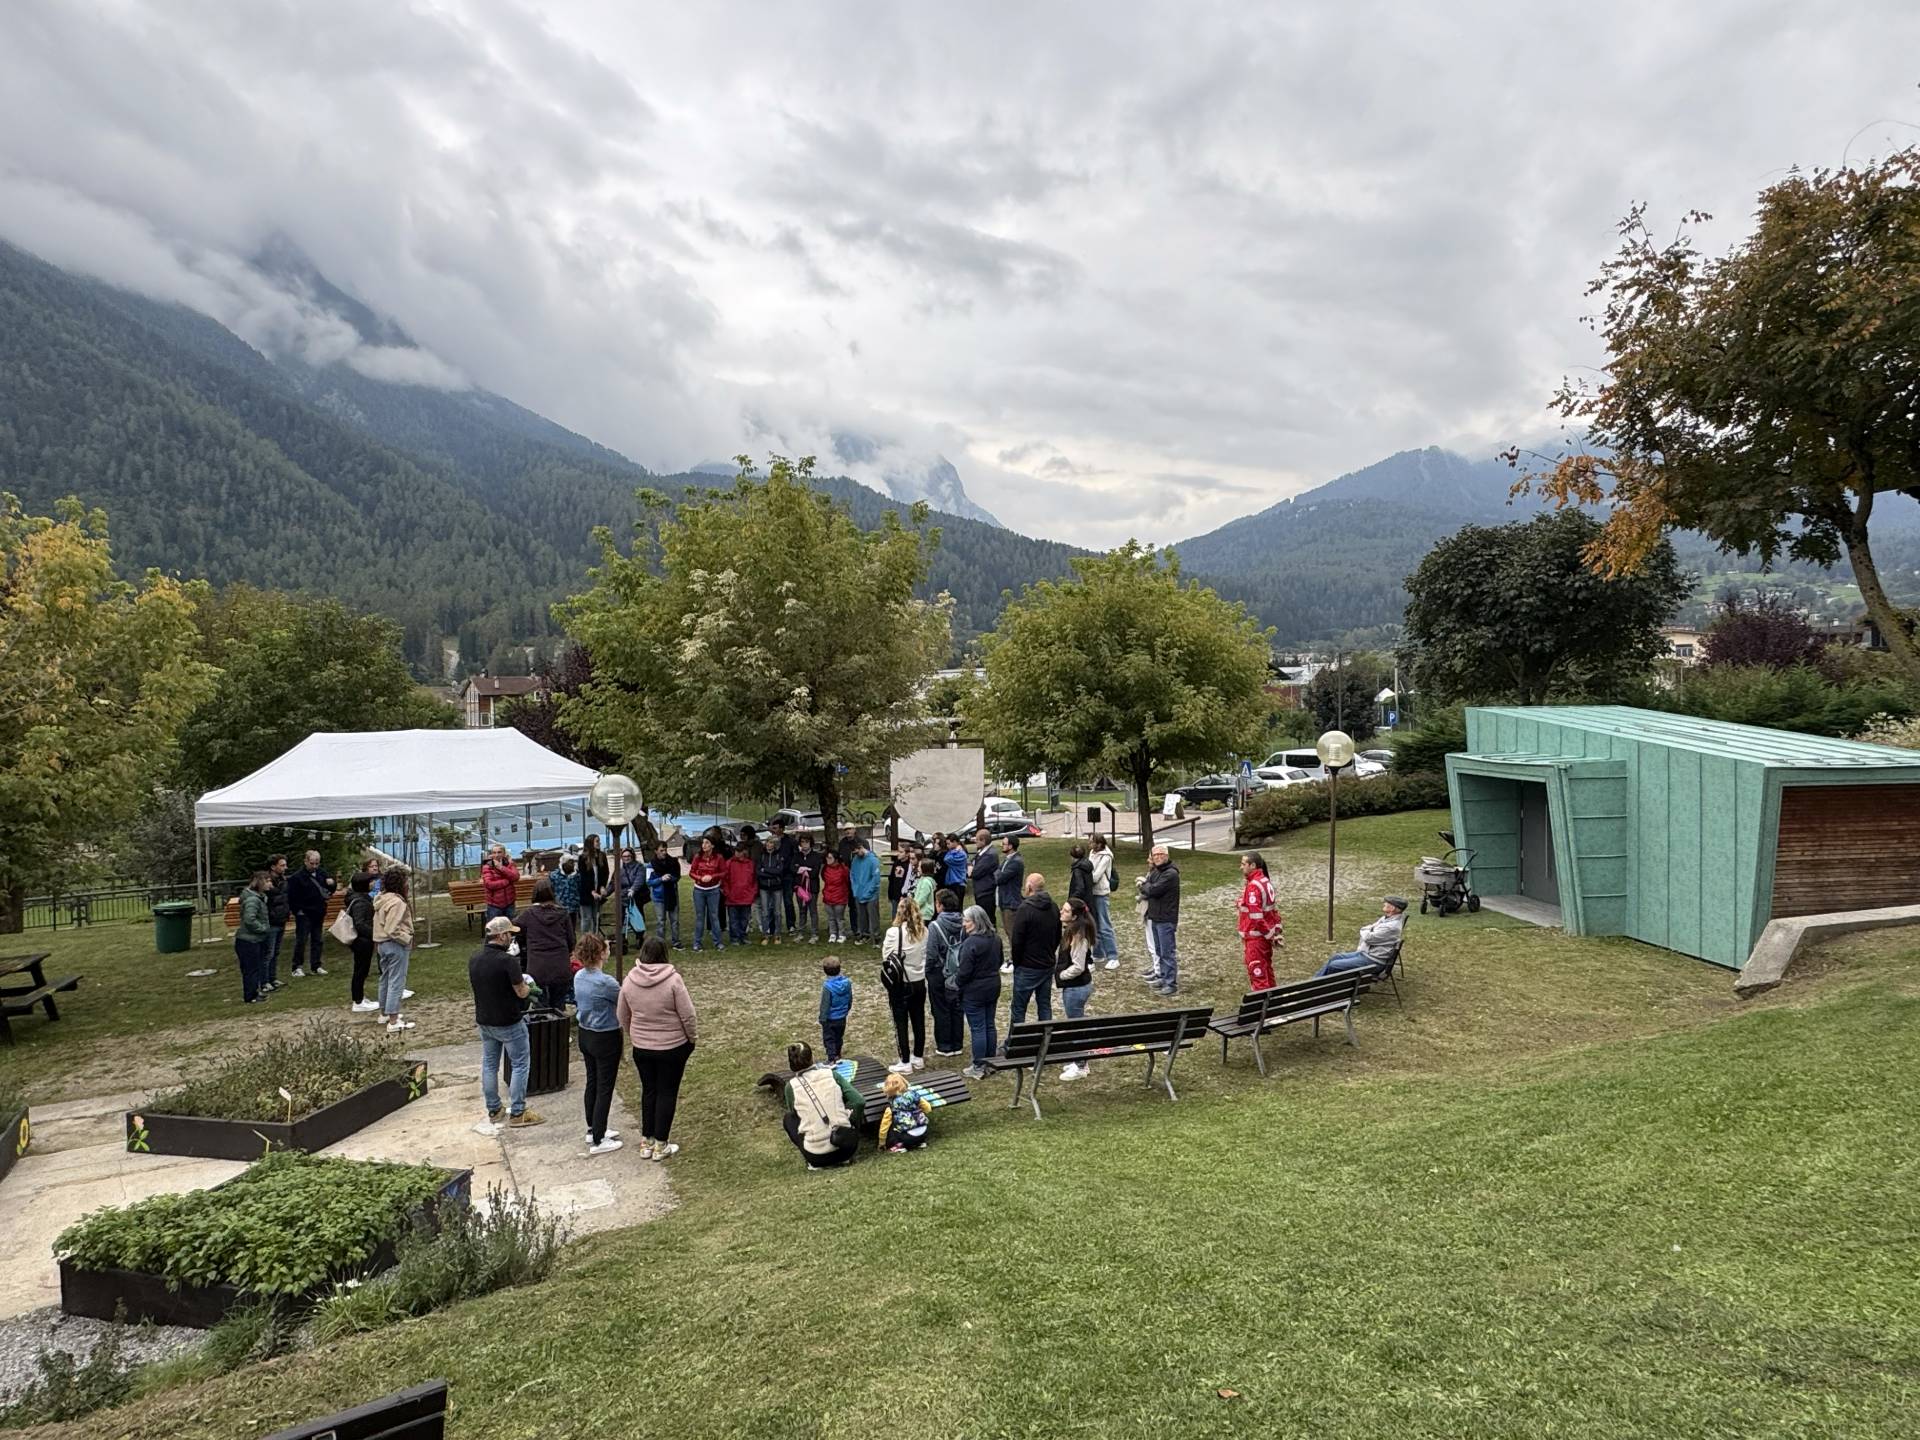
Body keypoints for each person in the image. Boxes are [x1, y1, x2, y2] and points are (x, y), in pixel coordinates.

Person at [616, 935, 697, 1161]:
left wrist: (635, 1034)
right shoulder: (673, 981)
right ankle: (661, 1143)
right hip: (672, 1045)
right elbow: (688, 1014)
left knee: (649, 1091)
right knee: (667, 1092)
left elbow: (622, 1014)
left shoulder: (630, 980)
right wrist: (692, 1038)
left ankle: (647, 1141)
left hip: (642, 1046)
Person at [470, 915, 541, 1130]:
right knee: (520, 1063)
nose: (512, 938)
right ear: (501, 936)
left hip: (485, 1020)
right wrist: (531, 989)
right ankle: (518, 1111)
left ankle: (494, 1109)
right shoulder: (508, 961)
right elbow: (521, 991)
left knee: (490, 1064)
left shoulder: (474, 959)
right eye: (510, 934)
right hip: (509, 1021)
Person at [571, 931, 623, 1153]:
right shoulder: (606, 982)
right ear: (601, 953)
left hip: (586, 1033)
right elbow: (623, 1001)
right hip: (605, 1036)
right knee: (604, 1086)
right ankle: (599, 1138)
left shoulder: (579, 976)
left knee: (592, 1081)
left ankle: (593, 1127)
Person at [781, 1041, 864, 1169]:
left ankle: (814, 1151)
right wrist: (851, 1122)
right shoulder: (831, 1074)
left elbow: (795, 1114)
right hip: (847, 1148)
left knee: (789, 1119)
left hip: (816, 1157)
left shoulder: (791, 1087)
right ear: (811, 1058)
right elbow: (858, 1101)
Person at [952, 905, 1004, 1079]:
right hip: (993, 985)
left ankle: (979, 1065)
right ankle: (990, 1062)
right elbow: (1000, 961)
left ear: (975, 922)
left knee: (978, 1028)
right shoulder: (996, 939)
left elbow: (964, 971)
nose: (964, 924)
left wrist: (956, 984)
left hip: (975, 990)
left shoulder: (971, 943)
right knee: (989, 1024)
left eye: (966, 921)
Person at [881, 896, 928, 1075]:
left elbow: (886, 956)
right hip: (919, 981)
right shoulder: (924, 931)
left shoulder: (894, 933)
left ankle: (905, 1060)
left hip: (901, 983)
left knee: (900, 1022)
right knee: (918, 1020)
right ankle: (918, 1057)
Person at [1007, 872, 1061, 1026]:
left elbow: (1017, 941)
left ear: (1029, 887)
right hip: (1047, 964)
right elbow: (1058, 935)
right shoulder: (1053, 906)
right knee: (1044, 1005)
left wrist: (1018, 962)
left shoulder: (1025, 909)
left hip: (1027, 967)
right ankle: (1045, 1039)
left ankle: (1017, 1044)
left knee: (1019, 1009)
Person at [1054, 897, 1098, 1080]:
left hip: (1076, 987)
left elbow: (1078, 966)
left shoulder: (1078, 936)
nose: (1061, 913)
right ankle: (1078, 1060)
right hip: (1075, 987)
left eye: (1065, 911)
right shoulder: (1072, 931)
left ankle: (1081, 1065)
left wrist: (1061, 975)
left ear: (1074, 916)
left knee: (1075, 1026)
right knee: (1075, 1023)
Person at [519, 877, 577, 1010]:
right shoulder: (562, 913)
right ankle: (560, 1029)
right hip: (560, 965)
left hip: (537, 966)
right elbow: (571, 940)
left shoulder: (528, 915)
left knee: (540, 1005)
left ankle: (543, 1028)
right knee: (559, 1004)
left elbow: (515, 928)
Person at [1317, 896, 1408, 975]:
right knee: (1335, 957)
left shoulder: (1391, 926)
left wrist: (1364, 930)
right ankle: (1314, 982)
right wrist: (1369, 930)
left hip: (1373, 961)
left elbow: (1368, 937)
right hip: (1366, 954)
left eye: (1387, 903)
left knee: (1334, 965)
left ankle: (1320, 988)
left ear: (1392, 908)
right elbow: (1371, 928)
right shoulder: (1388, 918)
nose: (1384, 904)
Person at [924, 888, 966, 1057]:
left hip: (940, 971)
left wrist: (928, 970)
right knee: (957, 1007)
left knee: (940, 1008)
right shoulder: (964, 921)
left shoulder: (935, 926)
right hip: (959, 970)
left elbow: (931, 952)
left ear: (940, 905)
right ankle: (957, 1042)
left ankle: (945, 1044)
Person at [372, 867, 415, 1032]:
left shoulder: (381, 899)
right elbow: (392, 928)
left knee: (386, 978)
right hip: (395, 943)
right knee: (397, 980)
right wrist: (406, 938)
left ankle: (384, 1013)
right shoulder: (397, 902)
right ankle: (393, 1019)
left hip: (382, 944)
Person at [1138, 845, 1182, 997]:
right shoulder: (1158, 872)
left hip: (1166, 918)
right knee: (1159, 951)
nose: (1156, 857)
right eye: (1154, 854)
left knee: (1167, 952)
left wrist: (1144, 885)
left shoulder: (1170, 874)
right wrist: (1147, 886)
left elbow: (1152, 890)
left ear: (1166, 855)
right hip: (1155, 916)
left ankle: (1171, 983)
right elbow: (1150, 888)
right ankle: (1163, 977)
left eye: (1160, 854)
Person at [1236, 852, 1282, 991]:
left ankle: (1263, 1010)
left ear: (1253, 865)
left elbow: (1256, 916)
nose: (1241, 867)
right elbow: (1272, 911)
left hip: (1256, 939)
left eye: (1244, 864)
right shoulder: (1265, 881)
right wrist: (1276, 933)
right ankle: (1274, 1004)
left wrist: (1269, 935)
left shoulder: (1254, 886)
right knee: (1267, 970)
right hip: (1263, 938)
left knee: (1258, 975)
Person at [287, 850, 335, 978]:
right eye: (312, 863)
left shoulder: (322, 873)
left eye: (317, 863)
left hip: (318, 912)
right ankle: (297, 966)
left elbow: (330, 889)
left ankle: (316, 965)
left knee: (318, 939)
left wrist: (332, 883)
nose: (314, 866)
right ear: (306, 861)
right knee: (301, 940)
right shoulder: (297, 878)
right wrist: (298, 911)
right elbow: (291, 896)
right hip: (304, 913)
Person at [234, 870, 272, 1004]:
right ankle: (250, 996)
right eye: (267, 881)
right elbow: (249, 919)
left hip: (253, 939)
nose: (270, 884)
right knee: (250, 969)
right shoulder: (252, 900)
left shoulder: (258, 897)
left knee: (254, 967)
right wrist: (262, 928)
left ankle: (254, 992)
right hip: (248, 940)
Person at [345, 871, 379, 1013]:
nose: (373, 884)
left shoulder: (361, 898)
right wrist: (374, 934)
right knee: (360, 970)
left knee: (362, 970)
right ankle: (357, 1000)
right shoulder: (360, 902)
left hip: (363, 940)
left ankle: (360, 997)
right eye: (370, 882)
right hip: (362, 941)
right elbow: (360, 924)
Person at [688, 834, 726, 951]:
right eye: (703, 843)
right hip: (699, 890)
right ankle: (697, 943)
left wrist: (712, 876)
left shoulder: (718, 857)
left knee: (714, 916)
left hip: (713, 889)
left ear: (712, 845)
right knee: (700, 917)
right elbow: (691, 872)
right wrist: (699, 878)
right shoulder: (697, 857)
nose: (704, 845)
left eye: (707, 843)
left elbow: (724, 872)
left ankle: (718, 942)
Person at [878, 1071, 932, 1152]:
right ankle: (920, 1142)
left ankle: (901, 1145)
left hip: (908, 1137)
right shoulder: (914, 1096)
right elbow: (928, 1108)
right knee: (916, 1133)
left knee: (891, 1127)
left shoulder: (891, 1107)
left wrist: (882, 1142)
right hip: (924, 1132)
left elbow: (884, 1128)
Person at [1089, 832, 1120, 970]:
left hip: (1101, 893)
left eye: (1092, 842)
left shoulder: (1106, 857)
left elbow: (1095, 876)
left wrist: (1085, 874)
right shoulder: (1092, 853)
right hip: (1092, 893)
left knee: (1104, 925)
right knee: (1094, 924)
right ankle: (1098, 952)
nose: (1089, 844)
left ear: (1099, 844)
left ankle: (1113, 956)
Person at [755, 824, 790, 944]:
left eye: (771, 843)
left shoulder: (779, 856)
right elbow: (759, 872)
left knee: (777, 912)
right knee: (765, 912)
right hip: (764, 887)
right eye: (767, 842)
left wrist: (767, 871)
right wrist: (769, 873)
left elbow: (779, 871)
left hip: (777, 887)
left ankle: (777, 934)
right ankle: (765, 934)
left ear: (775, 845)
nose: (769, 845)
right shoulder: (761, 856)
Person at [995, 837, 1026, 965]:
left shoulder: (1016, 862)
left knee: (1012, 932)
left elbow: (999, 877)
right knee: (1008, 932)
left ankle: (1016, 959)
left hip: (1011, 902)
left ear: (1011, 846)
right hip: (1004, 900)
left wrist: (995, 873)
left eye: (1004, 844)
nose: (1002, 845)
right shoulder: (1007, 860)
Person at [724, 838, 759, 946]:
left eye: (739, 851)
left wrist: (752, 892)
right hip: (732, 896)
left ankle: (743, 936)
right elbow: (725, 880)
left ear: (744, 851)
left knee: (745, 919)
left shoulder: (750, 864)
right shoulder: (729, 863)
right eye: (736, 851)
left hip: (746, 896)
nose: (737, 853)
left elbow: (754, 880)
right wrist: (727, 893)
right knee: (733, 919)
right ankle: (734, 938)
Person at [768, 818, 801, 933]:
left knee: (788, 901)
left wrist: (791, 869)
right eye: (772, 828)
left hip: (787, 875)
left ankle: (791, 925)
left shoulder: (790, 842)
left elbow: (795, 857)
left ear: (782, 829)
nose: (773, 830)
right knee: (773, 903)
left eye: (776, 828)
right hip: (774, 876)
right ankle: (772, 926)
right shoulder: (770, 841)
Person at [263, 853, 291, 989]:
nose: (285, 868)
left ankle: (273, 978)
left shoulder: (283, 880)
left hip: (281, 919)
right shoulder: (266, 882)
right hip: (271, 921)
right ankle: (265, 981)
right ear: (273, 867)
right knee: (268, 952)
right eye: (282, 865)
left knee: (276, 952)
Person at [577, 836, 613, 937]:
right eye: (597, 841)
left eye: (599, 841)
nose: (599, 843)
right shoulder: (583, 858)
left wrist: (602, 886)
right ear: (590, 843)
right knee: (587, 918)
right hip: (586, 892)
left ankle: (594, 938)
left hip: (598, 891)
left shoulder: (601, 856)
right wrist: (591, 891)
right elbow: (583, 877)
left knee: (595, 917)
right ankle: (585, 939)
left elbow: (605, 873)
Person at [649, 841, 683, 948]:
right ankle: (660, 943)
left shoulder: (673, 862)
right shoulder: (651, 865)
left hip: (672, 894)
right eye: (661, 851)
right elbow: (649, 882)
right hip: (659, 897)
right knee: (661, 921)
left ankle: (676, 941)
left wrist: (670, 878)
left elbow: (677, 876)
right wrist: (661, 879)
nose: (664, 853)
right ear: (656, 851)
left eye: (665, 850)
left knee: (675, 920)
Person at [818, 957, 852, 1062]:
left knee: (829, 1039)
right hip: (842, 1017)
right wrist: (847, 1009)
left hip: (830, 1018)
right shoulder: (847, 983)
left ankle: (832, 1059)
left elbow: (825, 1004)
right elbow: (850, 998)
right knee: (838, 1037)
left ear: (825, 971)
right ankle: (838, 1054)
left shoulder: (827, 987)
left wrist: (822, 1018)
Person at [848, 840, 881, 944]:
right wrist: (855, 889)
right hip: (859, 893)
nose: (856, 855)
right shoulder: (855, 860)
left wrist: (869, 892)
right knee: (861, 916)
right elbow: (852, 875)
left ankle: (876, 937)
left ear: (861, 848)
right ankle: (864, 935)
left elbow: (875, 879)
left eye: (857, 852)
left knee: (873, 916)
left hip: (871, 894)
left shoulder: (873, 860)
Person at [480, 844, 520, 924]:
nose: (497, 855)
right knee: (494, 931)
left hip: (509, 903)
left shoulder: (509, 864)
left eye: (499, 852)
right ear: (491, 854)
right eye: (494, 852)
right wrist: (507, 881)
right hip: (494, 905)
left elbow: (516, 877)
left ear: (504, 854)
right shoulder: (487, 866)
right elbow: (489, 884)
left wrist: (501, 868)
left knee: (511, 928)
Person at [970, 828, 1000, 927]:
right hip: (980, 891)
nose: (975, 841)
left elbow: (975, 872)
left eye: (977, 839)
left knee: (988, 919)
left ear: (983, 840)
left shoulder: (989, 855)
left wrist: (970, 869)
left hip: (986, 892)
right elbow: (971, 862)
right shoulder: (981, 852)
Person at [619, 847, 649, 943]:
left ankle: (640, 937)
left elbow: (639, 880)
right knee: (621, 917)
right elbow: (613, 883)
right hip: (623, 896)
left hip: (636, 896)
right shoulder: (620, 870)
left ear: (632, 856)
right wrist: (605, 893)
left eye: (628, 856)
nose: (626, 858)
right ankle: (622, 938)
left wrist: (633, 889)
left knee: (637, 916)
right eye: (624, 856)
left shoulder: (639, 867)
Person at [821, 849, 852, 943]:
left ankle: (842, 934)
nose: (828, 859)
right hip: (828, 896)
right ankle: (833, 934)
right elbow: (824, 879)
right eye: (827, 857)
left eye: (830, 858)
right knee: (831, 917)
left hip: (840, 897)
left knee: (839, 918)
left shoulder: (843, 869)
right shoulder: (825, 869)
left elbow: (847, 881)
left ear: (836, 858)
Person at [793, 835, 819, 942]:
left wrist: (806, 871)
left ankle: (814, 934)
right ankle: (801, 932)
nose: (804, 844)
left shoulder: (816, 856)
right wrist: (801, 869)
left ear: (810, 843)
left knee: (812, 911)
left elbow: (815, 872)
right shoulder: (796, 855)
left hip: (812, 888)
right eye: (802, 842)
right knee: (802, 910)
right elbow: (792, 868)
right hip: (800, 888)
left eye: (807, 842)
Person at [551, 855, 581, 928]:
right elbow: (551, 890)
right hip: (559, 907)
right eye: (570, 863)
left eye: (573, 863)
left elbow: (580, 888)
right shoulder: (554, 875)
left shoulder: (577, 875)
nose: (573, 865)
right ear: (564, 864)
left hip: (573, 907)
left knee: (571, 928)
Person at [1067, 843, 1094, 910]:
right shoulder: (1087, 865)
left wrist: (1071, 900)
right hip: (1089, 900)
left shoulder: (1078, 870)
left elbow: (1080, 888)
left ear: (1073, 857)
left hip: (1080, 904)